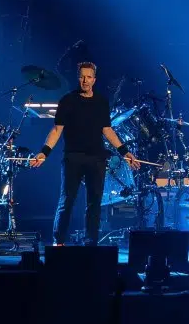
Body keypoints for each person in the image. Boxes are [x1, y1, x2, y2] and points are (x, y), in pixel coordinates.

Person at [27, 61, 140, 245]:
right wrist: (44, 153)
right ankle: (59, 242)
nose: (85, 80)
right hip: (73, 157)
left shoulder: (101, 102)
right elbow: (57, 130)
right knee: (67, 201)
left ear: (94, 80)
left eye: (89, 77)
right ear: (78, 78)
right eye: (82, 77)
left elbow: (108, 130)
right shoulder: (67, 101)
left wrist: (125, 153)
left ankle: (90, 243)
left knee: (94, 204)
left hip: (96, 158)